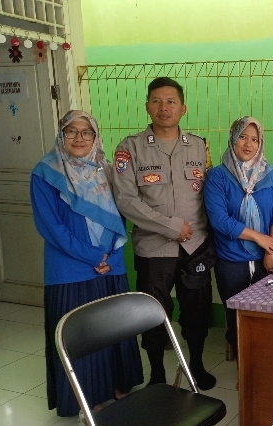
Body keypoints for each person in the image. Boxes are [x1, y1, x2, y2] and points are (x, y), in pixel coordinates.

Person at [31, 110, 143, 417]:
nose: (79, 138)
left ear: (95, 137)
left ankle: (118, 384)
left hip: (111, 265)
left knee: (115, 328)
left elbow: (121, 218)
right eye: (71, 131)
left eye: (86, 132)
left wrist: (113, 256)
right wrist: (93, 257)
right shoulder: (45, 173)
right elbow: (51, 227)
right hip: (70, 269)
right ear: (61, 135)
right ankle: (87, 395)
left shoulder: (107, 171)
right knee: (80, 335)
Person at [111, 77, 217, 390]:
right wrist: (171, 227)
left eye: (171, 101)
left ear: (183, 108)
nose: (164, 107)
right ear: (147, 107)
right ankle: (156, 374)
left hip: (195, 246)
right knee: (153, 313)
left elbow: (209, 194)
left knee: (196, 312)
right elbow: (126, 200)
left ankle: (196, 365)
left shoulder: (198, 146)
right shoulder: (130, 149)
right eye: (157, 101)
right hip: (154, 249)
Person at [204, 116, 273, 359]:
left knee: (268, 317)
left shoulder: (272, 176)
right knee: (236, 319)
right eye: (243, 137)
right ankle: (244, 368)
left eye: (255, 139)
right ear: (233, 139)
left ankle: (264, 366)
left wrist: (271, 251)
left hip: (266, 260)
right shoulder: (218, 176)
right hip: (231, 262)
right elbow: (219, 220)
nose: (248, 144)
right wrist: (259, 238)